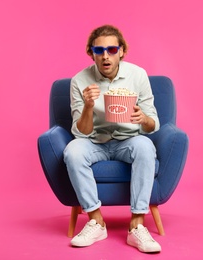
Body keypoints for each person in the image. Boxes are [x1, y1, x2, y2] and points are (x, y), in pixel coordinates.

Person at [63, 24, 161, 253]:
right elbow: (81, 132)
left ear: (122, 51)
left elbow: (153, 123)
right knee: (73, 151)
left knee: (145, 147)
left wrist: (142, 118)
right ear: (91, 53)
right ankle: (96, 221)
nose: (106, 56)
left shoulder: (138, 75)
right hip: (94, 142)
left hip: (129, 140)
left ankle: (137, 224)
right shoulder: (79, 80)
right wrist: (88, 106)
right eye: (99, 51)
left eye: (112, 50)